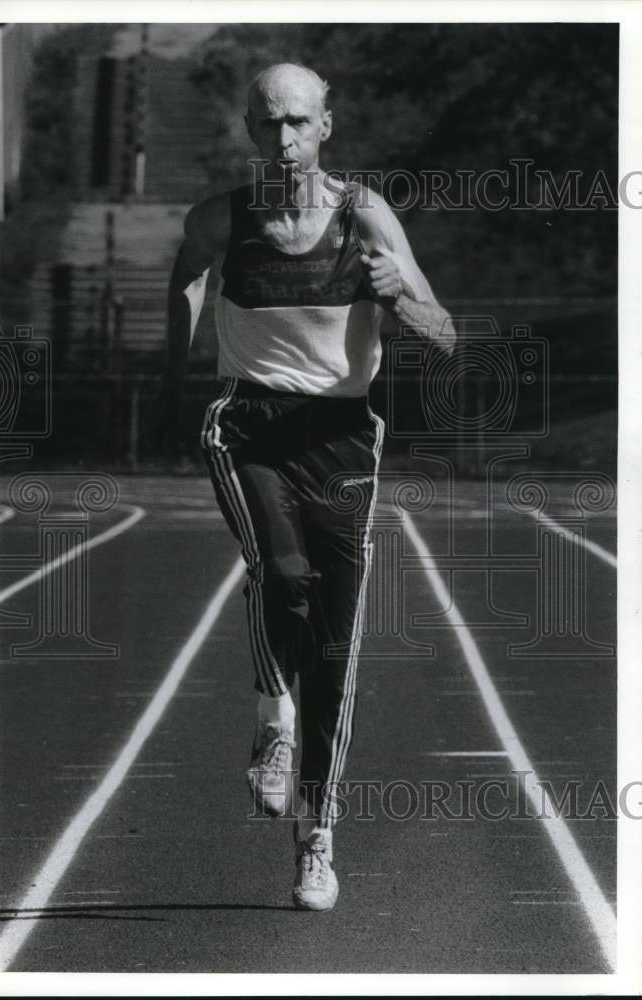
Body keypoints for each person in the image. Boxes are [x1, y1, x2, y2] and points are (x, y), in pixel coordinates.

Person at [157, 62, 455, 912]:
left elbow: (445, 335)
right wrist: (177, 368)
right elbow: (184, 274)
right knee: (282, 573)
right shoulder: (222, 219)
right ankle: (272, 721)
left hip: (343, 436)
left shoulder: (364, 216)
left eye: (297, 122)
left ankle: (318, 839)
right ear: (249, 132)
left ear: (327, 125)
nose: (282, 140)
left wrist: (402, 297)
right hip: (246, 422)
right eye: (266, 125)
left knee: (335, 644)